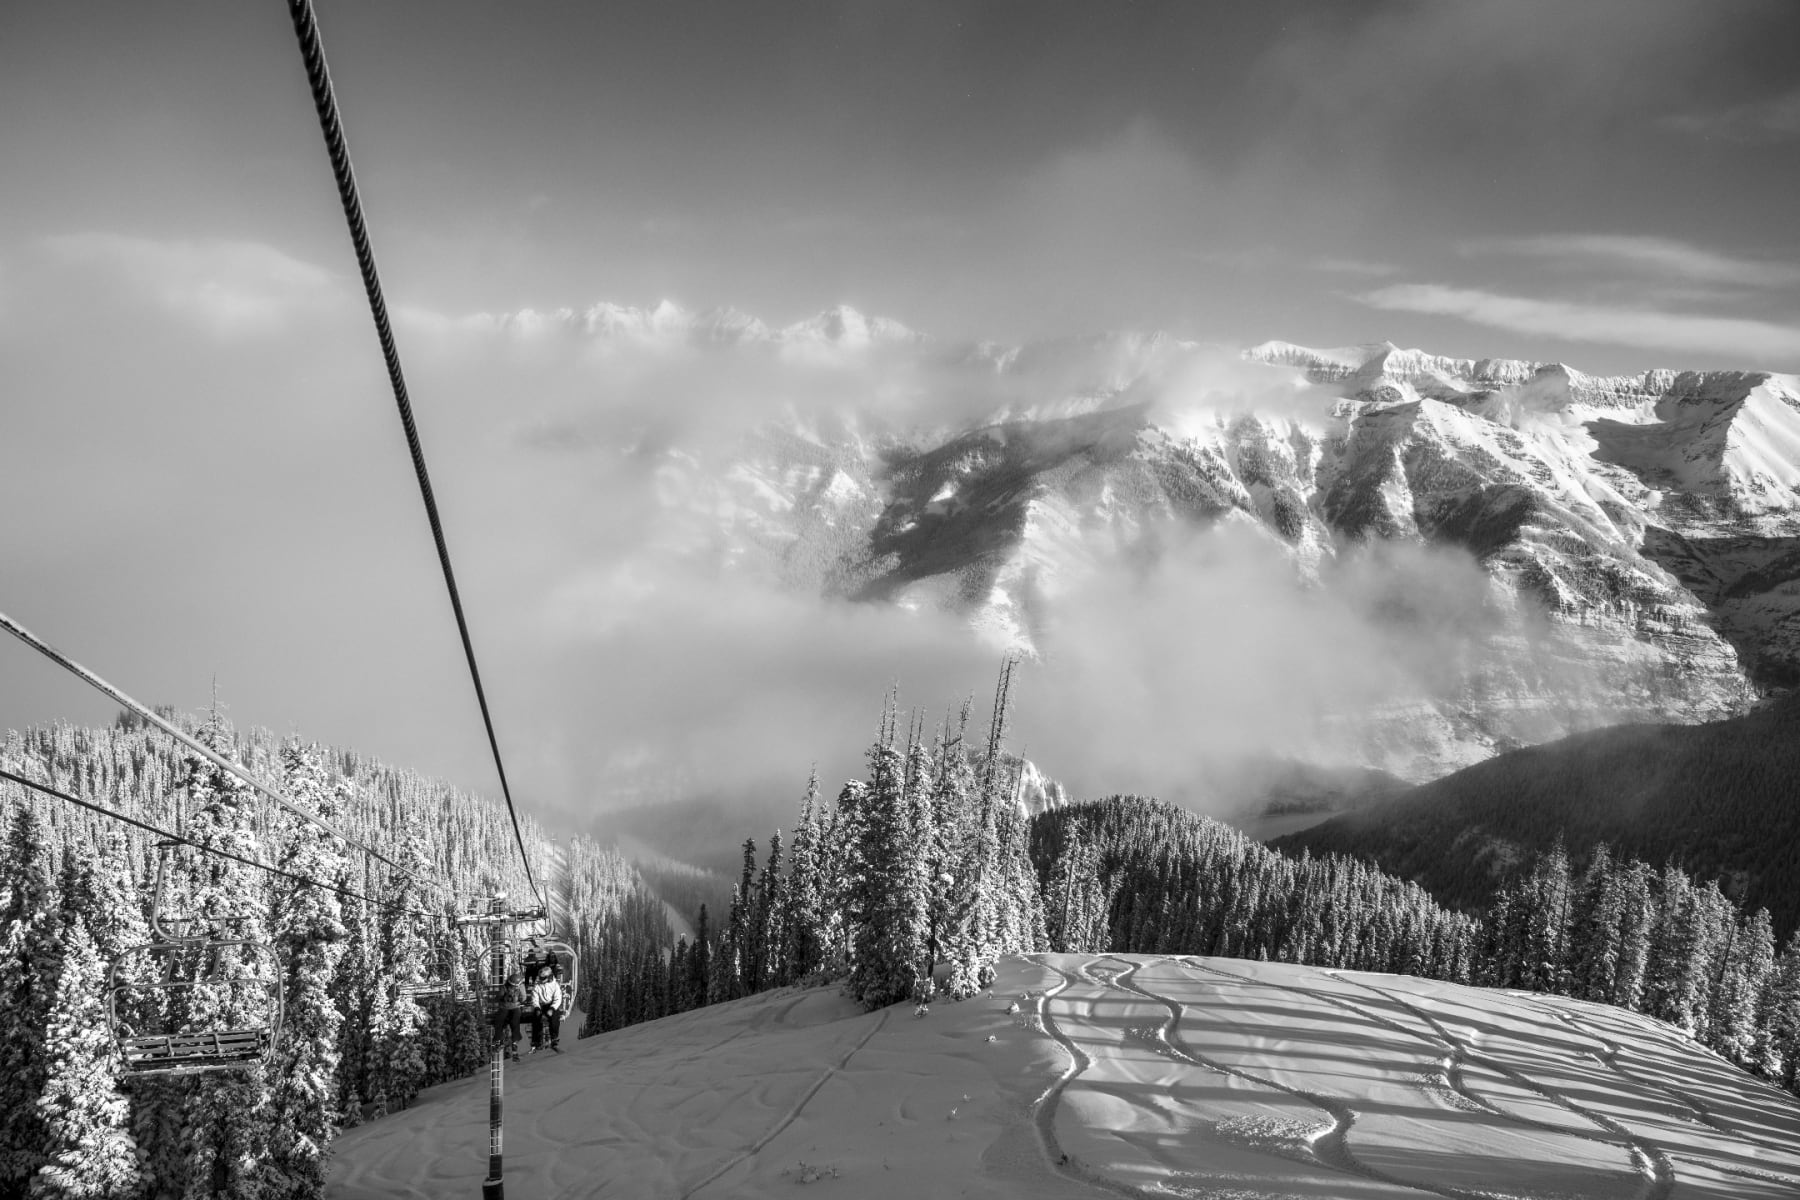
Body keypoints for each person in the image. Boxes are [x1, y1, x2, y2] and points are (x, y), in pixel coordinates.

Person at [490, 971, 525, 1061]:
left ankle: (514, 1040)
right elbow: (498, 997)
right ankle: (499, 1039)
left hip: (515, 1007)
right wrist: (504, 997)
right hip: (504, 1007)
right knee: (499, 1021)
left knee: (515, 1022)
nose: (513, 987)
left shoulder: (521, 987)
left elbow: (523, 998)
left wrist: (518, 998)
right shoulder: (504, 987)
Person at [529, 964, 563, 1053]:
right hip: (541, 1006)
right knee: (536, 1018)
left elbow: (558, 999)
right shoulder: (537, 986)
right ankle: (536, 1041)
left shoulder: (555, 986)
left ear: (549, 977)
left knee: (554, 1018)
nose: (541, 980)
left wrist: (552, 1009)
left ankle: (554, 1039)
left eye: (543, 978)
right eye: (540, 978)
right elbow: (534, 998)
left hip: (551, 1005)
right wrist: (537, 1008)